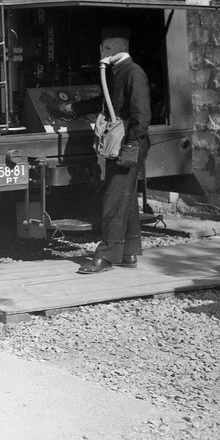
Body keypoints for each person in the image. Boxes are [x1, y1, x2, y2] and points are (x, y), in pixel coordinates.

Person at [64, 27, 151, 275]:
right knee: (125, 195)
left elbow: (142, 114)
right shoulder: (117, 72)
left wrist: (131, 145)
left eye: (105, 46)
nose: (101, 51)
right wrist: (74, 108)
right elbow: (106, 102)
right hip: (122, 142)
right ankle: (129, 252)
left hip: (129, 143)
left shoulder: (133, 73)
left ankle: (105, 257)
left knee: (114, 197)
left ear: (112, 47)